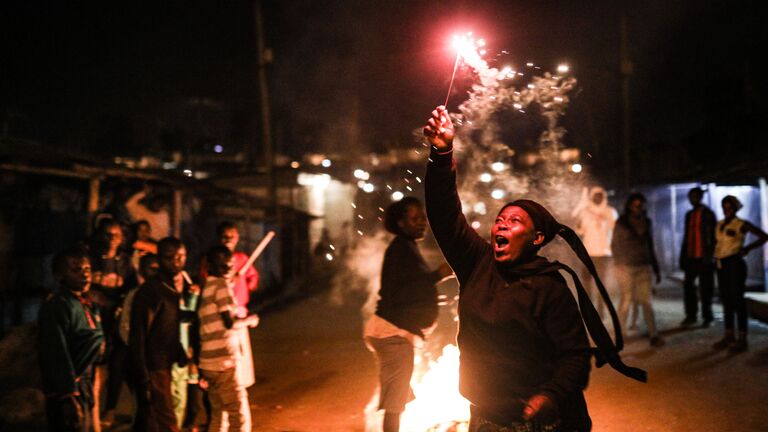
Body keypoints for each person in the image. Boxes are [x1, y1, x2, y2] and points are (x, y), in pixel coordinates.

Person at [423, 106, 645, 431]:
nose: (501, 225)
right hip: (486, 415)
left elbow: (575, 356)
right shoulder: (477, 264)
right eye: (499, 219)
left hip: (541, 420)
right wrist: (441, 154)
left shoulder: (550, 286)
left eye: (514, 221)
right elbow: (445, 216)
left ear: (537, 237)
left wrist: (550, 395)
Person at [363, 197, 453, 432]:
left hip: (393, 332)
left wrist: (436, 276)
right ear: (401, 223)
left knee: (399, 396)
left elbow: (410, 284)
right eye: (415, 219)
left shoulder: (406, 247)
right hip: (392, 333)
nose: (422, 223)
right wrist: (438, 275)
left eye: (423, 218)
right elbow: (407, 289)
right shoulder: (401, 248)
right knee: (395, 402)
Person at [38, 248, 105, 432]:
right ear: (59, 276)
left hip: (86, 382)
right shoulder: (57, 306)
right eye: (76, 270)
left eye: (87, 269)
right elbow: (56, 351)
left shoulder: (86, 303)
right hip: (70, 385)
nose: (84, 275)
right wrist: (69, 394)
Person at [129, 237, 190, 432]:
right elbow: (138, 335)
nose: (176, 261)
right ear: (159, 259)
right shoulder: (150, 291)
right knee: (166, 419)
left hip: (164, 362)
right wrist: (142, 375)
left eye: (180, 256)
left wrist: (179, 351)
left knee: (152, 418)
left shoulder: (170, 288)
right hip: (153, 366)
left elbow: (169, 324)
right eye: (169, 257)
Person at [199, 246, 260, 432]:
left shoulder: (207, 287)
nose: (230, 270)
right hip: (224, 362)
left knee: (219, 414)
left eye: (231, 266)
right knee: (237, 413)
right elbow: (229, 323)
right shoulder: (221, 286)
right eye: (227, 266)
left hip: (208, 363)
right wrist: (249, 320)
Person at [88, 219, 136, 429]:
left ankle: (110, 411)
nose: (112, 239)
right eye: (108, 234)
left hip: (115, 324)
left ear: (122, 238)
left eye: (116, 235)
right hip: (90, 325)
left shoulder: (125, 262)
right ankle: (91, 418)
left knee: (116, 366)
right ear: (99, 235)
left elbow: (134, 291)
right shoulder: (89, 259)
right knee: (92, 371)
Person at [712, 195, 768, 352]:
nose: (726, 210)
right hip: (721, 264)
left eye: (730, 207)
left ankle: (742, 338)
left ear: (735, 208)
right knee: (726, 300)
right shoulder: (719, 224)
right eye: (724, 207)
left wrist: (747, 248)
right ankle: (729, 335)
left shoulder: (741, 224)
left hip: (735, 263)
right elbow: (718, 243)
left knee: (737, 300)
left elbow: (764, 236)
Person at [612, 193, 665, 347]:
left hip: (643, 266)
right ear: (629, 206)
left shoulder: (646, 222)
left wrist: (656, 268)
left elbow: (650, 245)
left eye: (640, 205)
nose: (638, 208)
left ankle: (654, 335)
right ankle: (620, 334)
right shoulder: (621, 223)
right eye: (635, 205)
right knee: (626, 300)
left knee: (646, 302)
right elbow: (614, 245)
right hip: (626, 266)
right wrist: (618, 263)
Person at [571, 186, 618, 319]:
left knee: (601, 286)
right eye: (595, 195)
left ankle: (601, 311)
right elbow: (578, 226)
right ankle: (589, 312)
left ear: (604, 196)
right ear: (591, 197)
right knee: (586, 285)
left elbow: (616, 230)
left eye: (600, 195)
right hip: (588, 253)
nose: (598, 198)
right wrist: (582, 204)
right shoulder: (585, 212)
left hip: (604, 254)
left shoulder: (610, 212)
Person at [679, 187, 717, 327]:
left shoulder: (708, 214)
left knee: (706, 289)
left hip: (704, 258)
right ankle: (691, 316)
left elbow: (714, 236)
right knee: (689, 287)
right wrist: (683, 257)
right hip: (691, 257)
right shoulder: (689, 214)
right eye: (690, 197)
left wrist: (712, 255)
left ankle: (708, 317)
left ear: (700, 197)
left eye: (695, 196)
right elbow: (686, 237)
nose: (692, 199)